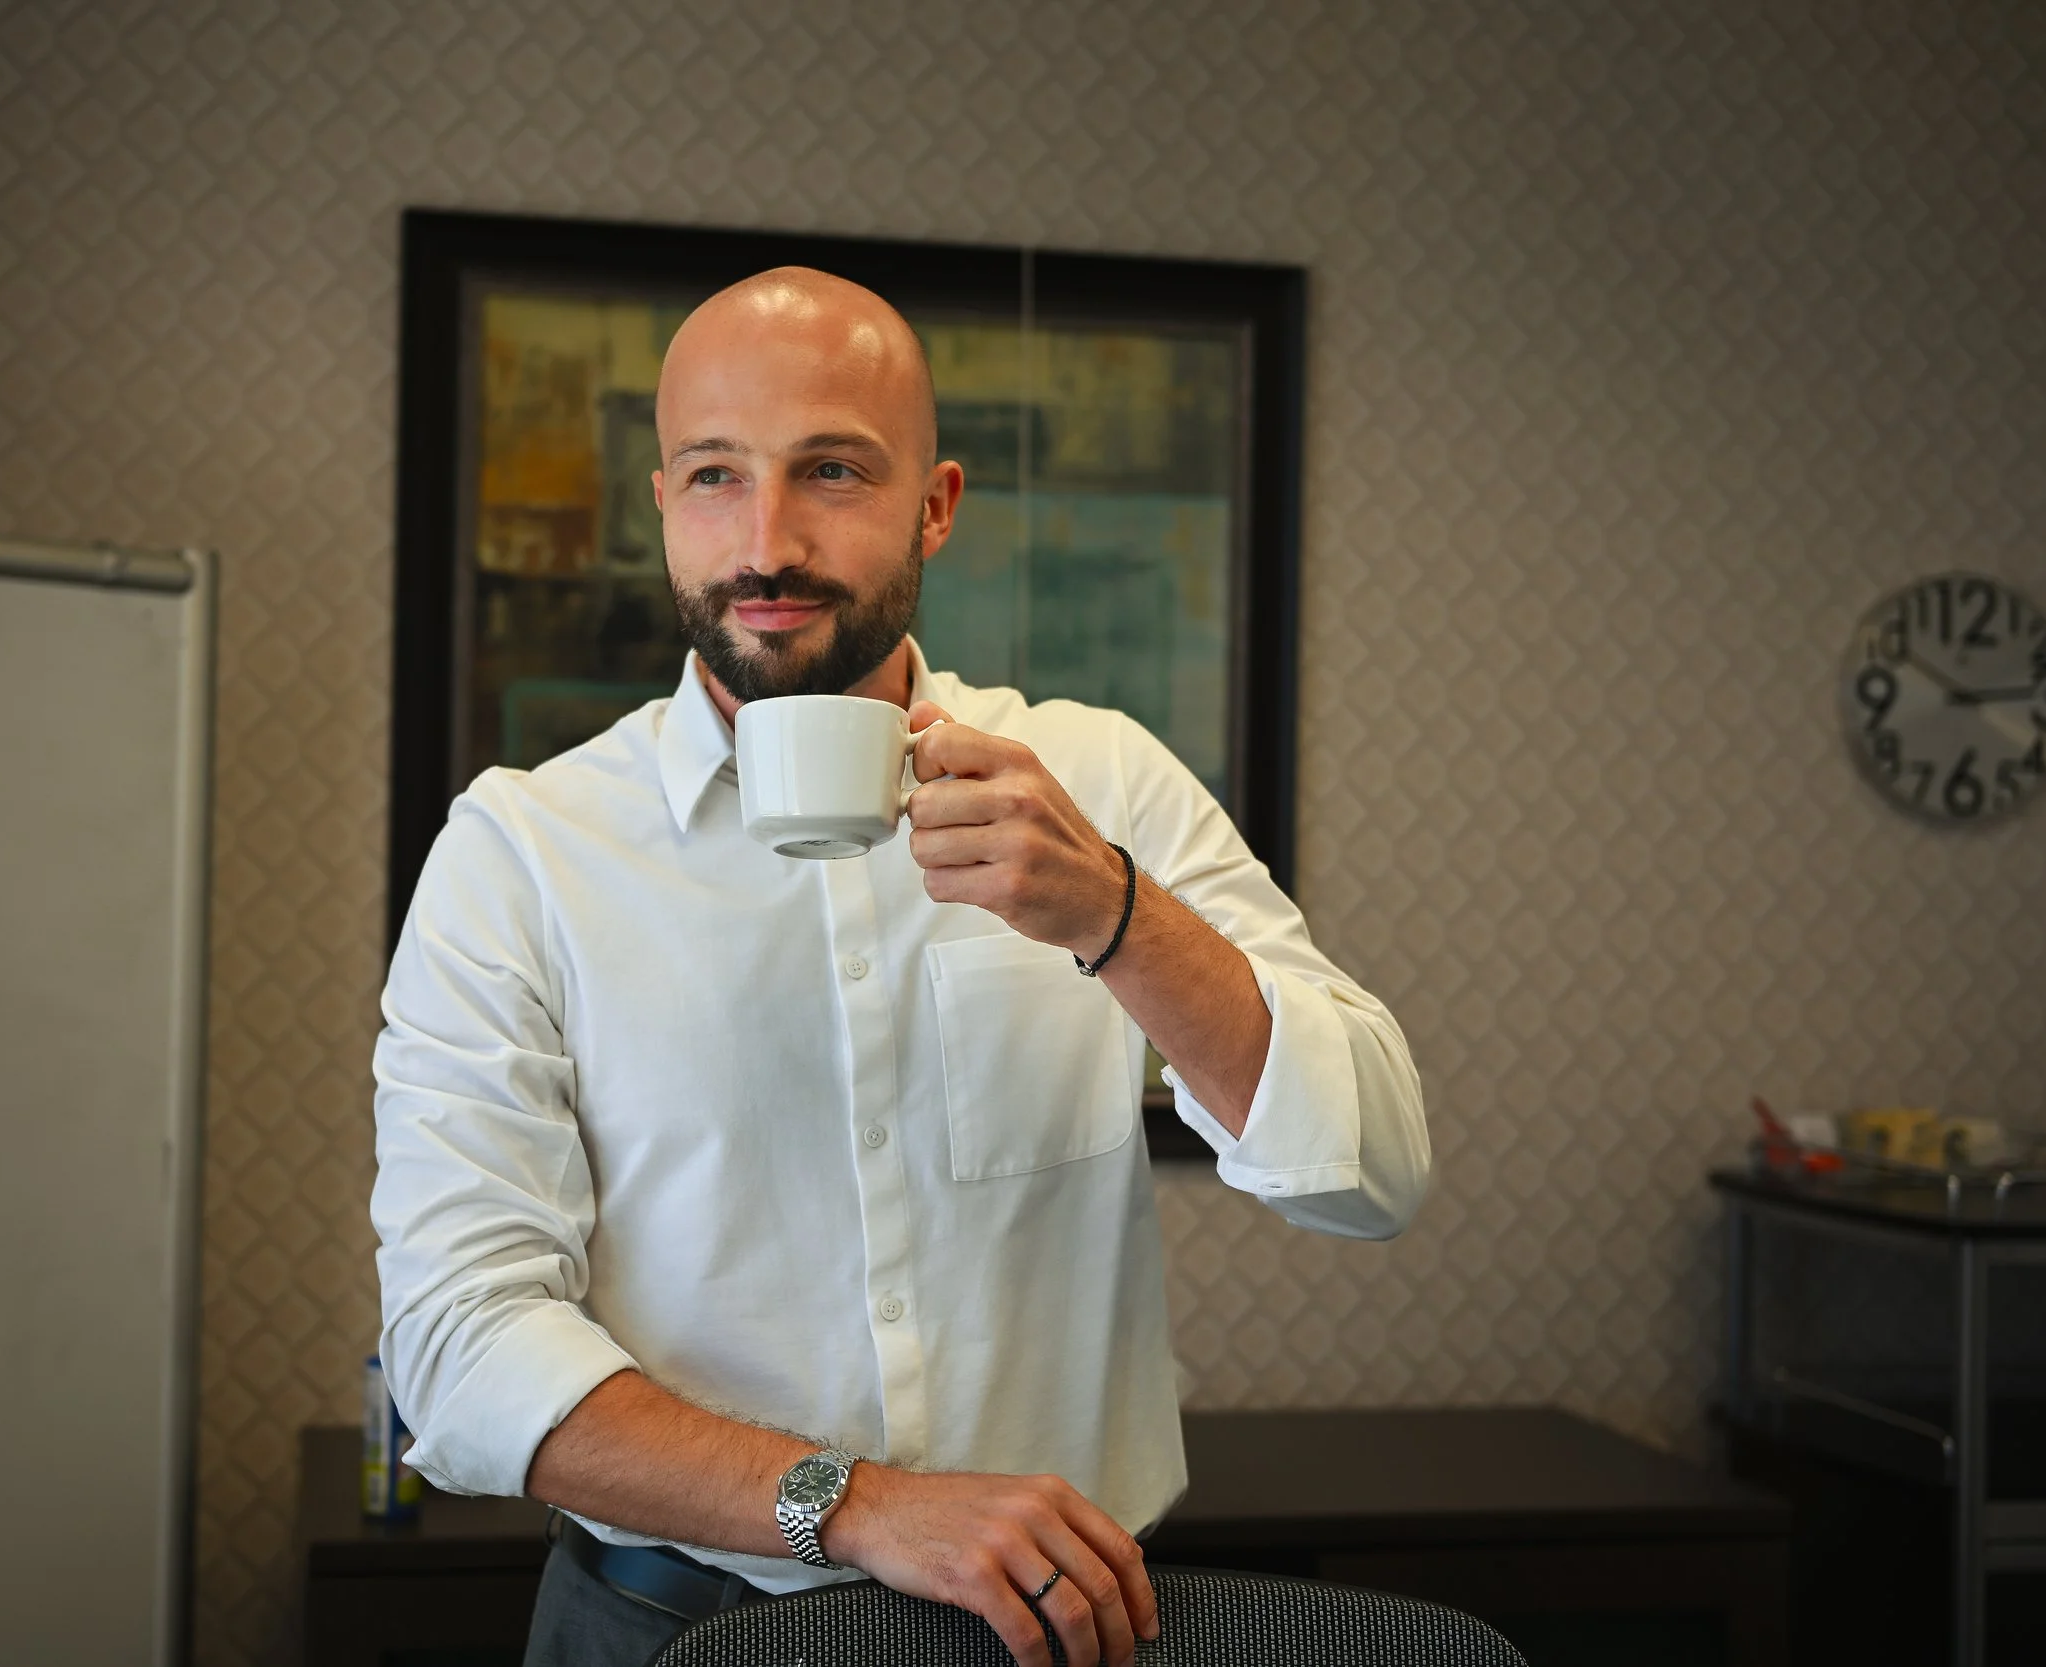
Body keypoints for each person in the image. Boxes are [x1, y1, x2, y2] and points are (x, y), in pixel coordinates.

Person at [372, 267, 1429, 1667]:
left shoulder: (1098, 780)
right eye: (713, 477)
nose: (766, 541)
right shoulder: (522, 848)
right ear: (662, 509)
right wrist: (860, 1509)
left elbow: (1374, 1171)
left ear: (934, 503)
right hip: (658, 1629)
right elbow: (457, 1346)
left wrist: (1118, 915)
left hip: (1058, 1636)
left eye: (830, 471)